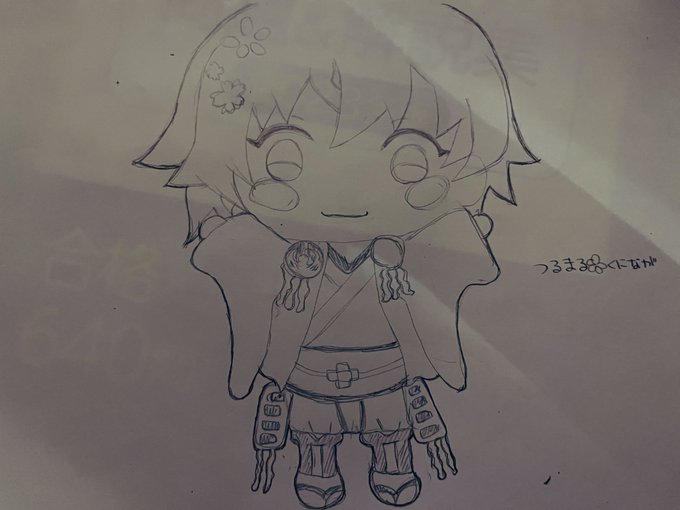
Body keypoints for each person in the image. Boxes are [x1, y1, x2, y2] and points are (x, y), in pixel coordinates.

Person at [135, 1, 538, 507]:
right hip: (308, 367)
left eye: (410, 162)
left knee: (390, 425)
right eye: (284, 161)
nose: (346, 195)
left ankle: (392, 462)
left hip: (387, 365)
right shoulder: (273, 253)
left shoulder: (407, 253)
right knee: (314, 428)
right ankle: (317, 466)